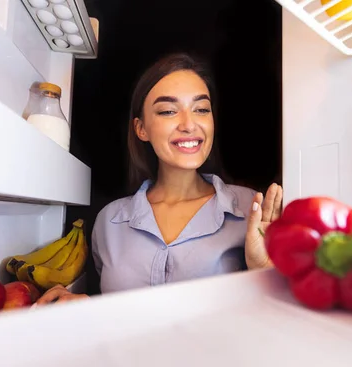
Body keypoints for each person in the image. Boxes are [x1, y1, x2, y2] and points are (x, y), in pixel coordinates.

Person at [34, 53, 283, 305]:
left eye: (201, 109)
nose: (189, 124)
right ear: (141, 129)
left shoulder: (251, 208)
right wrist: (85, 305)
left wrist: (264, 270)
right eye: (168, 111)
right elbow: (112, 310)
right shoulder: (109, 221)